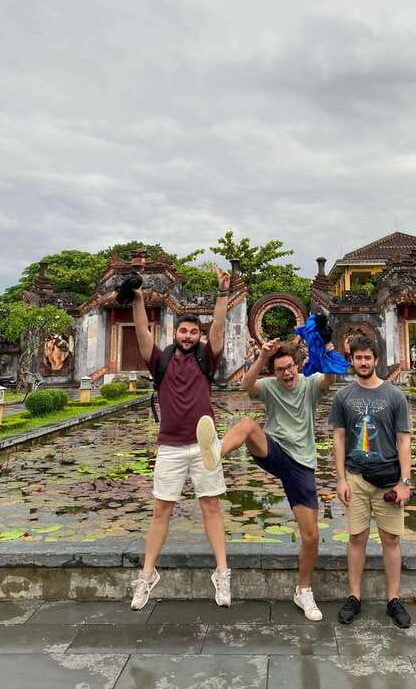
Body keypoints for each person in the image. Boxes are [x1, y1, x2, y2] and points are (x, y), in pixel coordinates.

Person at [196, 339, 335, 621]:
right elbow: (246, 385)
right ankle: (216, 453)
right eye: (280, 368)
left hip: (302, 464)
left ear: (297, 366)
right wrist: (261, 357)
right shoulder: (270, 386)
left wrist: (327, 352)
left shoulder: (310, 384)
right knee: (247, 425)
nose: (286, 373)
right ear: (274, 371)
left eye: (290, 367)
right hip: (273, 451)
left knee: (311, 535)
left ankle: (303, 590)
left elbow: (330, 379)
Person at [129, 265, 232, 611]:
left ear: (199, 337)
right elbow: (142, 330)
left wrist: (222, 293)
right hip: (170, 446)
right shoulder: (159, 360)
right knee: (161, 511)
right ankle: (146, 576)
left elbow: (218, 326)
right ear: (175, 333)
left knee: (211, 507)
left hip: (204, 445)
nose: (188, 336)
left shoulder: (207, 357)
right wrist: (138, 298)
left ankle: (222, 572)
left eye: (193, 332)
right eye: (183, 331)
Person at [330, 334, 413, 629]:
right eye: (358, 358)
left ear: (376, 360)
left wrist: (405, 481)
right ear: (351, 360)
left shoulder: (394, 396)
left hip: (389, 479)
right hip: (356, 477)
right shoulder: (343, 397)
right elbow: (338, 439)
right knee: (356, 538)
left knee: (391, 539)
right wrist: (340, 479)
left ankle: (393, 598)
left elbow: (403, 441)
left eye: (368, 358)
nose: (363, 362)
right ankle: (354, 596)